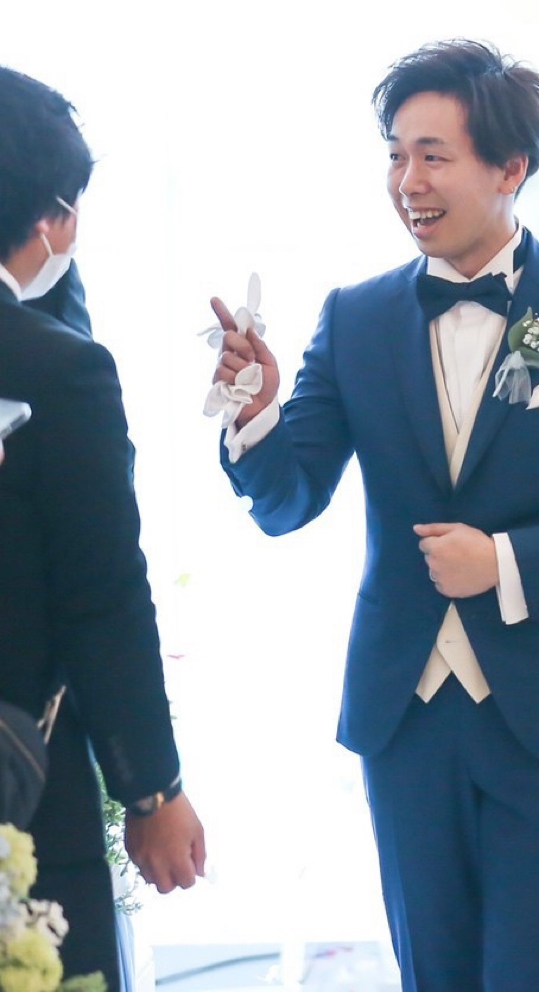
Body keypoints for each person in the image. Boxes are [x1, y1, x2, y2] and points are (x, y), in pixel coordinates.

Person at [207, 40, 539, 992]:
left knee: (537, 974)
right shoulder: (354, 317)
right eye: (396, 155)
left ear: (510, 169)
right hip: (406, 714)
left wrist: (506, 562)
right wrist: (257, 416)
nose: (408, 182)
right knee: (431, 972)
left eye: (433, 156)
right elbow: (289, 501)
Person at [0, 66, 206, 990]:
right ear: (50, 218)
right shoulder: (58, 369)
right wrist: (152, 790)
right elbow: (102, 596)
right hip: (22, 777)